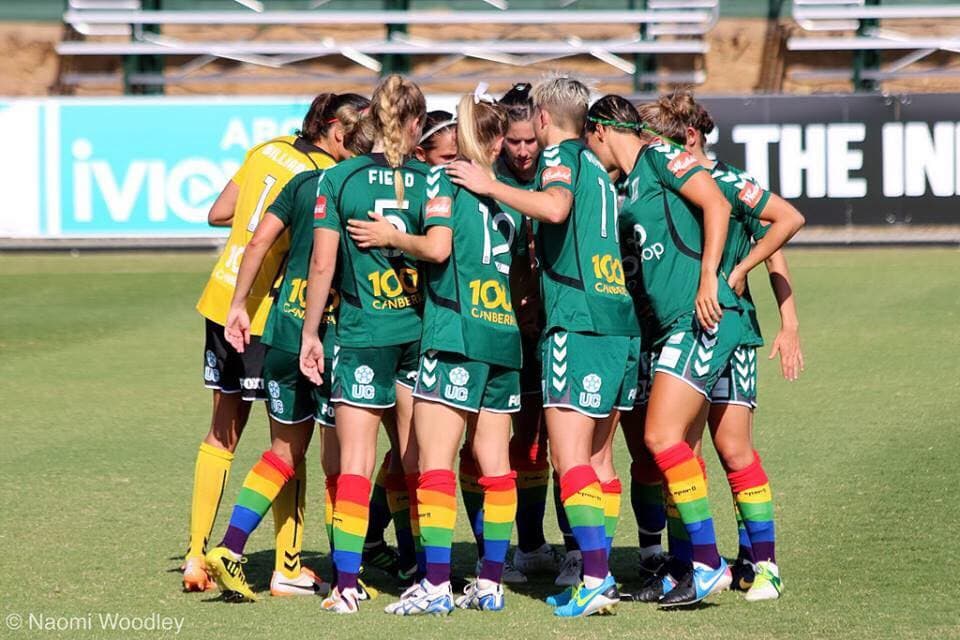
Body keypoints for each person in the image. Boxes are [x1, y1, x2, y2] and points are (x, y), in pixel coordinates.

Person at [447, 76, 640, 618]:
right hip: (618, 323)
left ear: (545, 119)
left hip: (577, 322)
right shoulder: (601, 171)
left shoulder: (562, 160)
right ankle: (594, 570)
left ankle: (595, 577)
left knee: (570, 458)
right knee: (599, 460)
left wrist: (489, 186)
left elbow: (553, 209)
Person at [349, 85, 525, 615]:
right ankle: (491, 582)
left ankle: (436, 584)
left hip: (455, 333)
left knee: (434, 463)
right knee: (495, 466)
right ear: (498, 145)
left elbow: (439, 247)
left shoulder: (446, 186)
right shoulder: (509, 200)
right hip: (503, 338)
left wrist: (389, 236)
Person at [200, 93, 371, 603]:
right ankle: (346, 575)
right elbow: (329, 265)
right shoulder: (356, 188)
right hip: (333, 332)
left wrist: (237, 305)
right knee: (343, 459)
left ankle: (228, 548)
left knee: (282, 452)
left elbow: (254, 241)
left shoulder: (301, 181)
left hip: (280, 324)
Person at [640, 92, 805, 602]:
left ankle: (761, 563)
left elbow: (781, 237)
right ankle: (700, 560)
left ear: (688, 138)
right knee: (689, 451)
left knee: (725, 449)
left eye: (663, 143)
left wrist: (785, 317)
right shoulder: (676, 184)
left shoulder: (725, 182)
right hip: (711, 327)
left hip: (721, 327)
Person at [300, 74, 430, 614]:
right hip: (420, 334)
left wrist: (310, 333)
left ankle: (347, 584)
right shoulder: (433, 181)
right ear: (417, 123)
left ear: (371, 120)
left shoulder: (340, 178)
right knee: (418, 459)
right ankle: (426, 574)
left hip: (361, 332)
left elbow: (323, 263)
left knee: (355, 459)